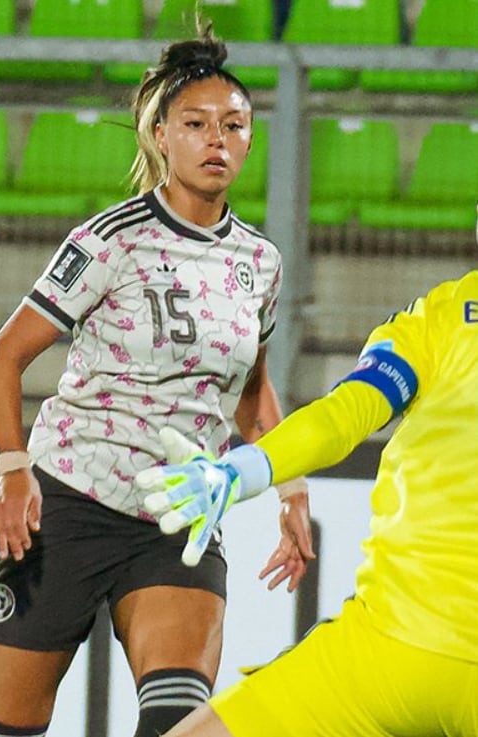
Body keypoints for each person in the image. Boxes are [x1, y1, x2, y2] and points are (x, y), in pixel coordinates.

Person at [0, 27, 315, 737]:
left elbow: (252, 395)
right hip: (70, 501)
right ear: (160, 135)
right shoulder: (110, 239)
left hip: (176, 519)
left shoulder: (259, 263)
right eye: (196, 124)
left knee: (178, 726)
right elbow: (3, 357)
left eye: (233, 125)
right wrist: (13, 471)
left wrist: (291, 490)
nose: (217, 140)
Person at [139, 213, 478, 736]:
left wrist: (241, 470)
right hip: (388, 646)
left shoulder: (442, 317)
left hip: (390, 649)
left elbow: (343, 417)